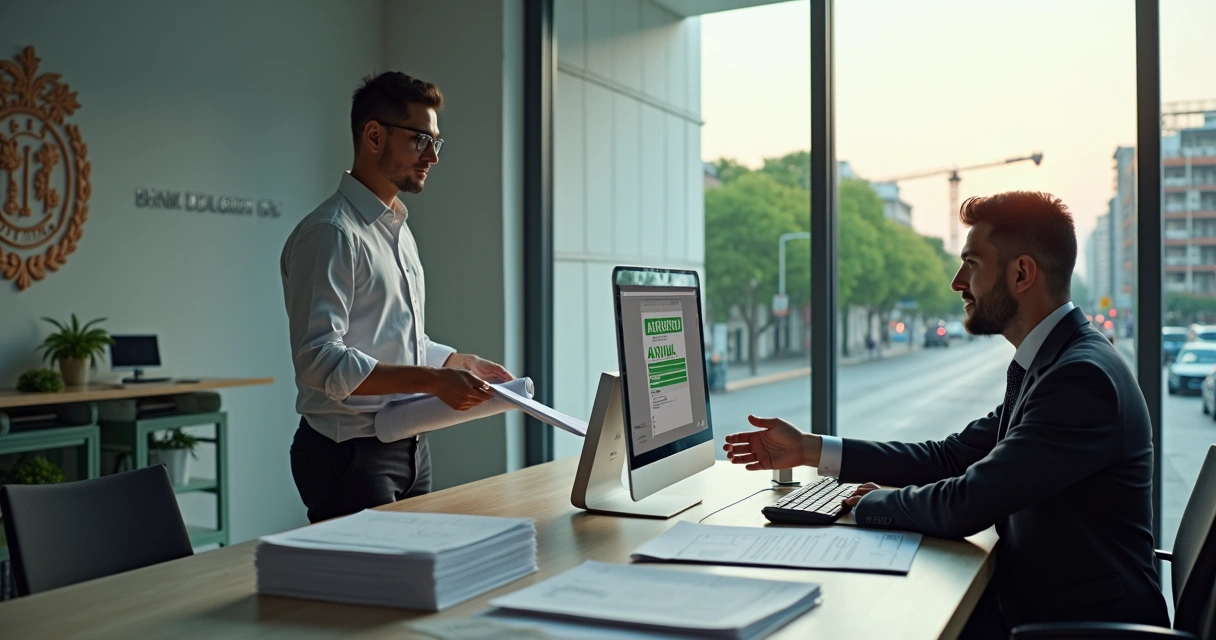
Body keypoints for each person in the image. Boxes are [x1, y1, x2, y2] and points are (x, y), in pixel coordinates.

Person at [724, 192, 1168, 638]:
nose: (957, 282)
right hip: (1042, 605)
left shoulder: (1080, 379)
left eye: (972, 264)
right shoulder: (1057, 362)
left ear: (1021, 273)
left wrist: (869, 505)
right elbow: (952, 457)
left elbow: (968, 502)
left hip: (1077, 626)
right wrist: (809, 449)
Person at [281, 72, 513, 524]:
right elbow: (318, 360)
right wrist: (432, 382)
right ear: (373, 135)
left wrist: (454, 363)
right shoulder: (331, 233)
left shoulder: (397, 230)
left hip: (409, 443)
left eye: (436, 142)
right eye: (421, 140)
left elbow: (394, 338)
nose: (433, 156)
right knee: (366, 593)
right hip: (347, 455)